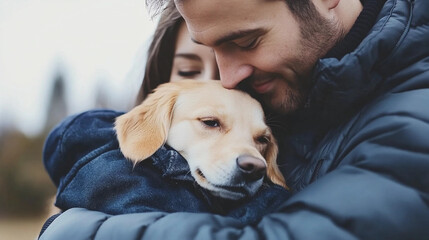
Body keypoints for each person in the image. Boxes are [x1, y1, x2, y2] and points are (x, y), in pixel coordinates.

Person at [40, 0, 429, 239]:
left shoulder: (414, 109)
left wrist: (70, 230)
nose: (225, 80)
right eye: (204, 54)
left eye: (245, 42)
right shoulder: (299, 94)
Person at [38, 2, 289, 239]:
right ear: (162, 71)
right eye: (211, 122)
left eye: (260, 139)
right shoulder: (102, 163)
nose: (219, 83)